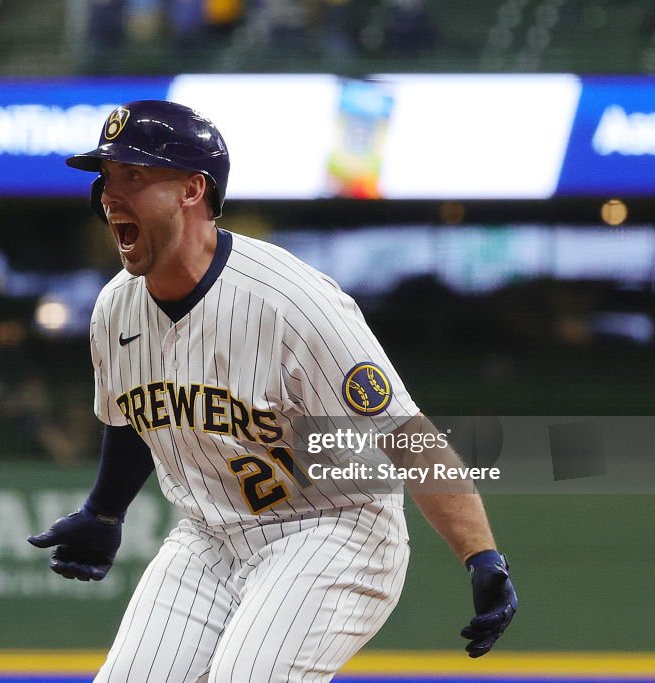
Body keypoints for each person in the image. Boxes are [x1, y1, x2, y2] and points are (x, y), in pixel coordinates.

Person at [28, 100, 517, 682]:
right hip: (209, 535)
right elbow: (134, 416)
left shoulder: (293, 303)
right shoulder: (115, 309)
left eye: (133, 176)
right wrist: (104, 513)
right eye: (107, 177)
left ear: (193, 189)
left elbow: (409, 437)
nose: (110, 195)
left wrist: (481, 555)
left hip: (332, 528)